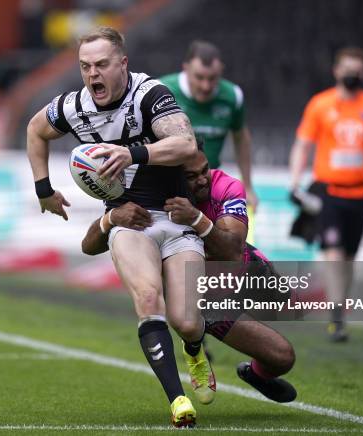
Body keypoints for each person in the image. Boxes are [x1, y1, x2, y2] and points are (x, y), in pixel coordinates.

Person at [26, 27, 212, 427]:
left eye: (102, 65)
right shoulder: (74, 106)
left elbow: (186, 145)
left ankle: (195, 349)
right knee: (148, 298)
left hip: (175, 219)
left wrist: (132, 153)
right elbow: (35, 130)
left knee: (187, 322)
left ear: (123, 64)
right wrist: (44, 189)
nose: (93, 75)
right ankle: (178, 400)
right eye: (85, 67)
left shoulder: (150, 95)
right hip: (129, 223)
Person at [82, 145, 297, 404]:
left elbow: (232, 252)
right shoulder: (150, 198)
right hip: (208, 298)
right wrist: (112, 218)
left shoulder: (225, 187)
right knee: (283, 355)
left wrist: (196, 218)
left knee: (286, 306)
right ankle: (194, 347)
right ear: (173, 178)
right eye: (191, 176)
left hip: (237, 267)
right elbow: (89, 246)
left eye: (204, 170)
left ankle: (255, 375)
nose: (202, 179)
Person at [289, 47, 363, 342]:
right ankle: (336, 315)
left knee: (349, 257)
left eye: (358, 70)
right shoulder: (321, 105)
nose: (353, 75)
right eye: (348, 69)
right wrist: (295, 182)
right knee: (333, 253)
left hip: (359, 194)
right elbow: (303, 145)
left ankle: (340, 310)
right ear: (336, 71)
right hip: (328, 193)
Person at [160, 40, 258, 210]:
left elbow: (241, 138)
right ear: (185, 68)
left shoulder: (232, 96)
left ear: (221, 71)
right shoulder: (162, 91)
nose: (206, 86)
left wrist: (248, 186)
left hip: (207, 187)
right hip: (166, 189)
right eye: (199, 77)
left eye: (212, 78)